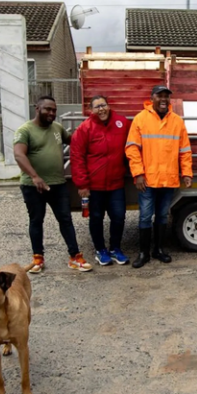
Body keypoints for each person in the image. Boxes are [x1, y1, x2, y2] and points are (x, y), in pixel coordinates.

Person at [13, 96, 92, 273]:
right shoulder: (25, 130)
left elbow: (74, 141)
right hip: (33, 186)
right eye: (48, 109)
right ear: (37, 108)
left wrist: (89, 130)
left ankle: (75, 257)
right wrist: (35, 176)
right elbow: (19, 155)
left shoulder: (57, 128)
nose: (51, 113)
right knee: (36, 221)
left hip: (58, 184)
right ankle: (38, 259)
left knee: (65, 220)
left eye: (54, 110)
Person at [125, 86, 193, 269]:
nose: (163, 99)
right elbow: (132, 148)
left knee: (162, 216)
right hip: (147, 180)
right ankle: (143, 253)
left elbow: (185, 150)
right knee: (145, 217)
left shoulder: (177, 121)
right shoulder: (140, 119)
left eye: (166, 97)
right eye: (159, 96)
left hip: (168, 179)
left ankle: (159, 250)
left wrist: (187, 173)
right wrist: (138, 174)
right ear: (152, 98)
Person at [70, 95, 131, 267]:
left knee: (119, 217)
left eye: (103, 105)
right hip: (94, 186)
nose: (101, 109)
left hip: (116, 183)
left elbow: (134, 144)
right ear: (91, 110)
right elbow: (77, 157)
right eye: (97, 107)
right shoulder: (85, 129)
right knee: (96, 218)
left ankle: (115, 249)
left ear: (109, 106)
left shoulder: (122, 123)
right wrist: (82, 184)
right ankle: (100, 250)